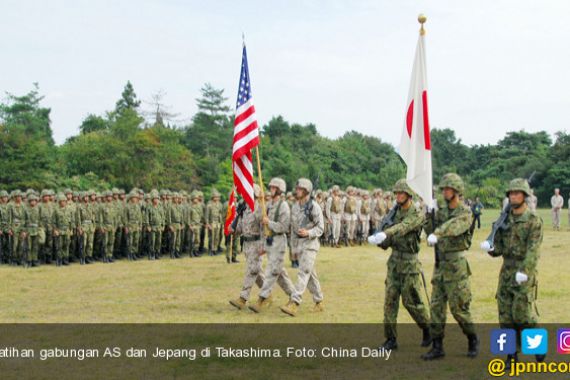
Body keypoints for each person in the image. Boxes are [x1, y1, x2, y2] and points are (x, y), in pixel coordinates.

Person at [481, 178, 544, 369]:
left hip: (524, 272)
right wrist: (490, 247)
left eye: (517, 193)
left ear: (525, 196)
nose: (513, 196)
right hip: (506, 272)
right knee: (505, 317)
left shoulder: (533, 221)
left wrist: (525, 272)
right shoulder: (504, 219)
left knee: (523, 315)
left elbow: (534, 250)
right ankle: (511, 356)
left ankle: (538, 347)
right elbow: (499, 248)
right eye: (511, 193)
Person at [422, 173, 479, 360]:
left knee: (459, 309)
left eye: (448, 189)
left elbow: (455, 227)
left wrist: (437, 232)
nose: (445, 192)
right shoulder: (441, 212)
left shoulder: (465, 212)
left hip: (456, 267)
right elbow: (430, 232)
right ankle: (438, 346)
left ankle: (472, 338)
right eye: (444, 189)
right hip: (440, 265)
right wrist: (428, 215)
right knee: (436, 307)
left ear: (457, 191)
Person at [369, 179, 431, 350]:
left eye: (401, 193)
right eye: (396, 193)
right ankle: (390, 339)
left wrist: (386, 233)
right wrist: (379, 239)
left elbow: (404, 227)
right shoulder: (393, 213)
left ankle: (427, 327)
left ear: (409, 195)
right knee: (390, 300)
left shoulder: (417, 214)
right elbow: (387, 241)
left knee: (411, 301)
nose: (397, 196)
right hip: (395, 262)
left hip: (410, 262)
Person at [249, 177, 295, 313]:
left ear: (280, 190)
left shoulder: (284, 206)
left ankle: (262, 299)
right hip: (269, 241)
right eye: (271, 187)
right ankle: (294, 296)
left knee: (273, 271)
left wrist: (268, 222)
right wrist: (258, 201)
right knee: (279, 273)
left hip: (279, 241)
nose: (271, 189)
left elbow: (284, 227)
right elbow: (259, 218)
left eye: (274, 188)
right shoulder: (268, 204)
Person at [280, 178, 325, 316]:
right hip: (299, 244)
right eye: (297, 188)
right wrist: (293, 247)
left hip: (310, 244)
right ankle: (319, 301)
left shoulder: (314, 207)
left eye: (300, 189)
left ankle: (295, 302)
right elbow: (293, 229)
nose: (297, 191)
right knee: (310, 274)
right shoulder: (295, 206)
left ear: (306, 191)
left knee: (303, 273)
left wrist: (309, 232)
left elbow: (321, 228)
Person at [229, 184, 266, 309]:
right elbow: (240, 228)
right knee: (257, 272)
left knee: (252, 270)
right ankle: (267, 294)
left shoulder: (260, 208)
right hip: (247, 244)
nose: (243, 195)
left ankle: (243, 298)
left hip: (256, 243)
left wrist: (263, 245)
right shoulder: (244, 208)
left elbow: (264, 229)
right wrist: (233, 228)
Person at [52, 193, 74, 266]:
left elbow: (71, 220)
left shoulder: (69, 209)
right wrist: (55, 230)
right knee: (59, 245)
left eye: (64, 201)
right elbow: (53, 221)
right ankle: (59, 259)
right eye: (61, 201)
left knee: (66, 245)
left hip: (67, 230)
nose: (63, 202)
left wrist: (71, 229)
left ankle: (65, 259)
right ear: (59, 202)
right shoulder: (56, 210)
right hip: (59, 230)